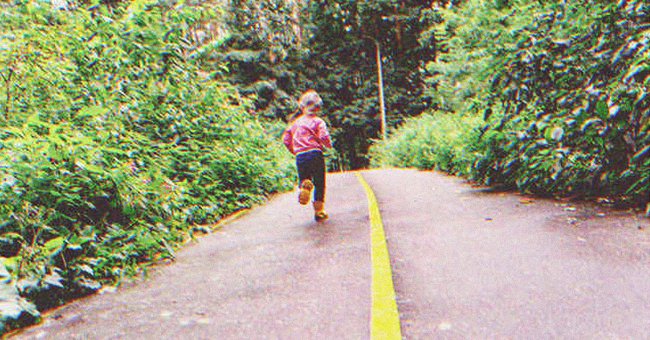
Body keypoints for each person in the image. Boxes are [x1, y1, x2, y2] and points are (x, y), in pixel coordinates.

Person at [282, 90, 332, 222]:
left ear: (302, 107)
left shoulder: (295, 123)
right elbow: (323, 136)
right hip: (315, 153)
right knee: (319, 182)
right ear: (318, 108)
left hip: (301, 156)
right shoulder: (318, 122)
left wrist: (294, 150)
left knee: (305, 178)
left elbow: (286, 139)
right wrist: (328, 145)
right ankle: (319, 211)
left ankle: (305, 186)